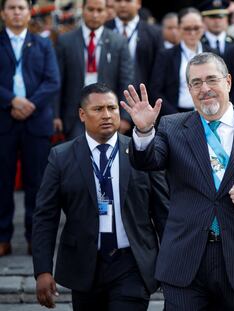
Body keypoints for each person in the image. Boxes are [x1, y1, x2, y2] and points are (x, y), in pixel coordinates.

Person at [122, 52, 234, 310]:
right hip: (185, 262)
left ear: (227, 81)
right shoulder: (172, 127)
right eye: (196, 83)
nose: (204, 88)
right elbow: (147, 161)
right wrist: (144, 131)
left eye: (211, 79)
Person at [32, 83, 169, 310]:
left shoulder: (142, 153)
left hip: (132, 263)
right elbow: (45, 217)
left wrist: (170, 264)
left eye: (112, 108)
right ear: (82, 114)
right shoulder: (61, 157)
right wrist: (43, 270)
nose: (107, 115)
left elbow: (163, 212)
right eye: (98, 109)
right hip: (85, 265)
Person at [0, 0, 60, 256]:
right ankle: (3, 237)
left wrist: (29, 104)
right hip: (4, 120)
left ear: (28, 13)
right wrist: (11, 100)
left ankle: (36, 238)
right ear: (3, 13)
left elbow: (52, 81)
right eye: (11, 7)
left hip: (36, 123)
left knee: (38, 184)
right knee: (2, 182)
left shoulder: (43, 43)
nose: (16, 12)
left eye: (21, 8)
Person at [54, 0, 133, 140]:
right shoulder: (65, 41)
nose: (95, 15)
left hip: (107, 114)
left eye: (99, 10)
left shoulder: (118, 41)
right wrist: (55, 115)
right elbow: (58, 80)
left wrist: (125, 116)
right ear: (82, 10)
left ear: (106, 12)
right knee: (77, 158)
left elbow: (126, 79)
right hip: (74, 115)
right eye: (91, 9)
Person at [150, 7, 212, 116]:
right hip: (177, 113)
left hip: (209, 113)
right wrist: (175, 116)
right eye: (187, 28)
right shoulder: (166, 55)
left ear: (203, 27)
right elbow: (156, 91)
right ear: (179, 28)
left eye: (196, 28)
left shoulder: (213, 53)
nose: (192, 33)